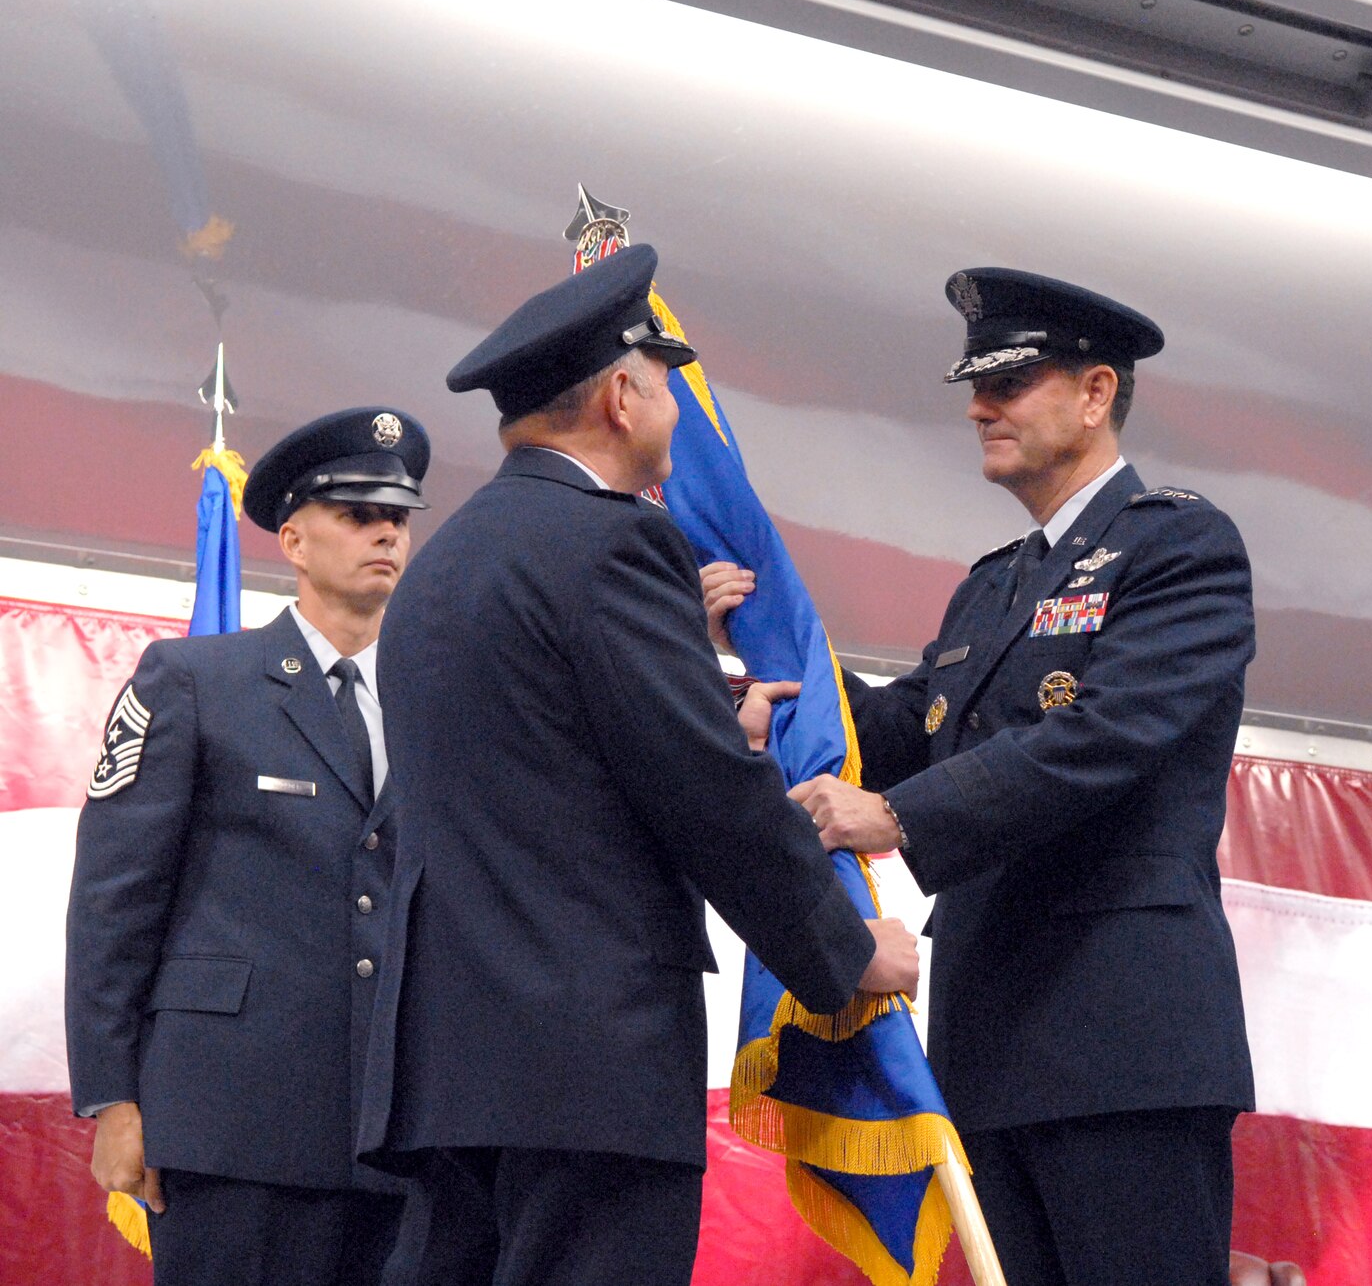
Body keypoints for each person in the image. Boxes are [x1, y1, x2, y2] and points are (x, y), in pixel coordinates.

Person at [353, 243, 919, 1286]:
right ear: (621, 394)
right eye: (663, 381)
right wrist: (846, 954)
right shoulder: (614, 545)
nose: (672, 405)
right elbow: (706, 800)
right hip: (583, 1061)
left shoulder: (439, 569)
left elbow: (542, 769)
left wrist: (707, 725)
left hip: (447, 1063)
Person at [705, 268, 1257, 1286]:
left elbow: (1107, 734)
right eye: (976, 384)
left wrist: (893, 819)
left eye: (1010, 382)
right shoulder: (993, 584)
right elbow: (890, 726)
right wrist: (745, 674)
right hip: (994, 1036)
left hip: (1122, 1039)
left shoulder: (1178, 544)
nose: (977, 405)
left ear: (1095, 394)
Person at [67, 406, 432, 1285]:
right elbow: (114, 899)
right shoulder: (197, 680)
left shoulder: (436, 704)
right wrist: (114, 1099)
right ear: (296, 540)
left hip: (399, 1137)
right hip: (235, 1124)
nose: (385, 531)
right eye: (357, 513)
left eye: (398, 516)